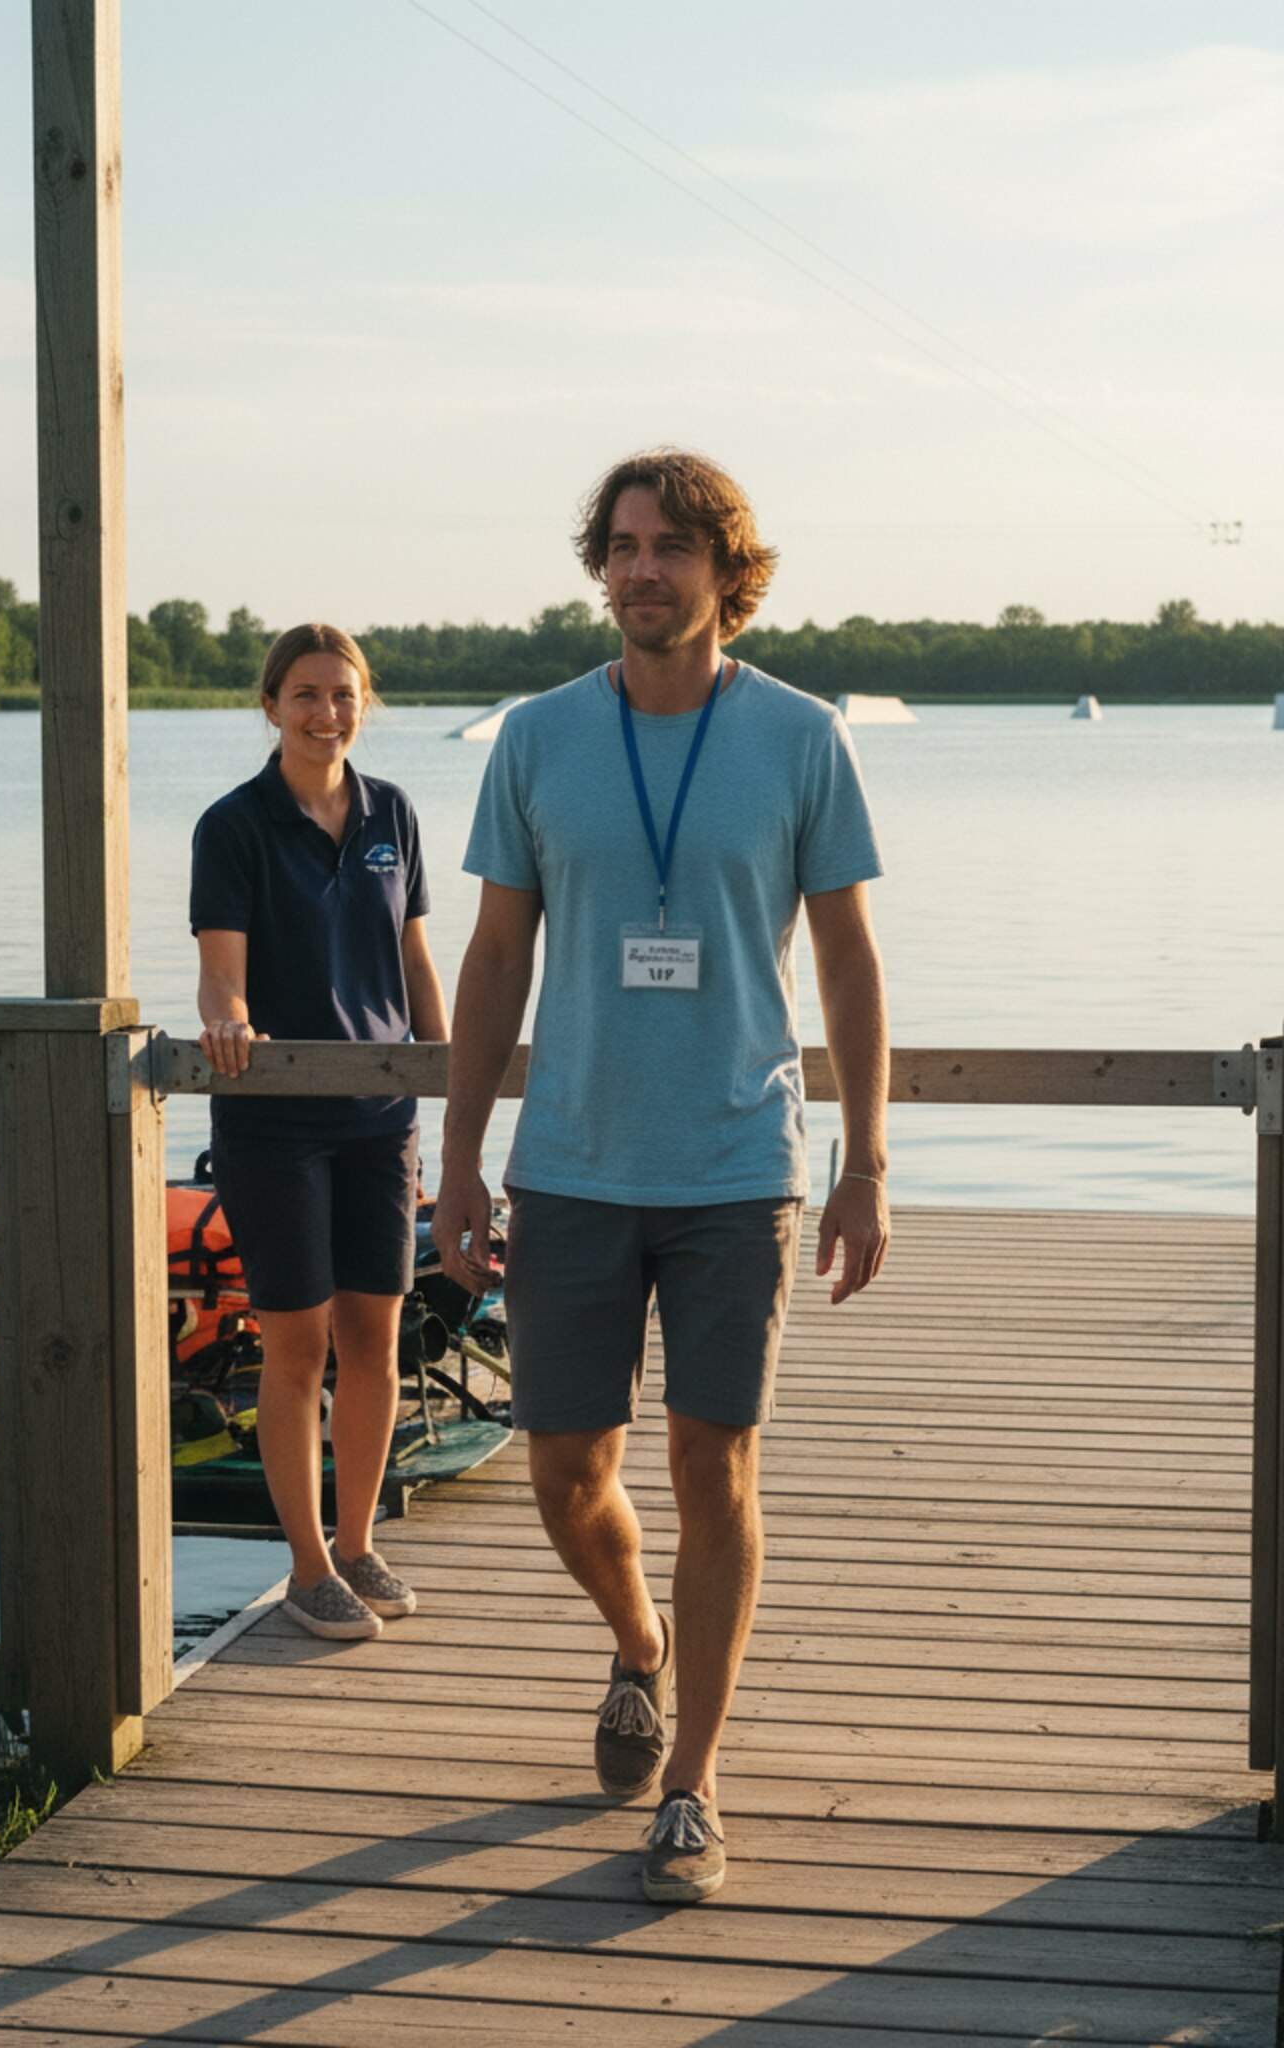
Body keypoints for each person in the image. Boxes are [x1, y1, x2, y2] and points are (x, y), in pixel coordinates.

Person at [433, 448, 891, 1904]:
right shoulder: (538, 737)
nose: (643, 568)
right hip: (570, 1160)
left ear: (726, 573)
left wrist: (867, 1161)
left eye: (674, 546)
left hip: (735, 1161)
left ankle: (691, 1783)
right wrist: (458, 1157)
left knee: (712, 1465)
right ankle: (640, 1641)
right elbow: (494, 955)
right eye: (624, 545)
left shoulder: (802, 737)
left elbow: (848, 958)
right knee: (565, 1473)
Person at [191, 622, 449, 1640]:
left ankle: (358, 1542)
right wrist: (227, 1020)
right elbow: (221, 971)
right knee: (296, 1345)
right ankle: (306, 1567)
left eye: (343, 694)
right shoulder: (233, 824)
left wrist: (448, 1065)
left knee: (375, 1341)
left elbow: (414, 958)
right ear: (270, 705)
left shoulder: (394, 812)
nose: (325, 712)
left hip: (382, 1119)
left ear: (362, 703)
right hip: (275, 1121)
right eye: (304, 694)